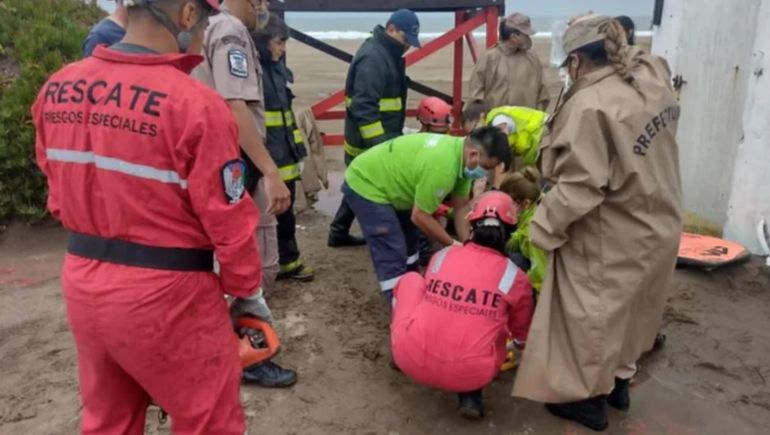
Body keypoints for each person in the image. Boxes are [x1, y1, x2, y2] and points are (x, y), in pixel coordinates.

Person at [33, 0, 260, 433]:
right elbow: (229, 220)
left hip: (83, 283)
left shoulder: (58, 87)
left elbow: (57, 193)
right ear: (188, 15)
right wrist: (247, 292)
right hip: (170, 295)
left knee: (108, 420)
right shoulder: (196, 104)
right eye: (205, 22)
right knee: (209, 420)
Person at [512, 15, 682, 432]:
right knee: (634, 311)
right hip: (658, 218)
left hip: (612, 230)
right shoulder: (651, 74)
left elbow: (579, 187)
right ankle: (619, 383)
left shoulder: (590, 107)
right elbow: (638, 57)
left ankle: (586, 401)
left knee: (590, 317)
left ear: (574, 62)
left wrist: (540, 230)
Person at [193, 0, 296, 388]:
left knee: (227, 259)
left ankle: (224, 349)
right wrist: (270, 171)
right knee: (251, 259)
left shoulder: (213, 29)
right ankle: (245, 355)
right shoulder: (231, 31)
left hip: (220, 162)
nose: (264, 7)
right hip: (235, 164)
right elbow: (235, 104)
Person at [391, 191, 534, 420]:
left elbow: (433, 306)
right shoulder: (515, 277)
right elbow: (521, 335)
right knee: (492, 325)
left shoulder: (442, 256)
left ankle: (401, 349)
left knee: (411, 281)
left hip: (410, 358)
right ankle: (471, 397)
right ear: (510, 232)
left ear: (472, 223)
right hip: (472, 373)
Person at [342, 127, 512, 305]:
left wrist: (467, 244)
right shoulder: (442, 167)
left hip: (392, 184)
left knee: (410, 240)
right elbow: (420, 216)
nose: (484, 173)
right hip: (367, 184)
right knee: (391, 248)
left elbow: (461, 205)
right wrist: (452, 244)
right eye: (486, 167)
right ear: (473, 155)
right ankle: (400, 307)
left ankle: (412, 287)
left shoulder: (461, 159)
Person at [328, 9, 421, 248]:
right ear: (391, 29)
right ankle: (385, 237)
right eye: (404, 40)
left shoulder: (386, 53)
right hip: (368, 141)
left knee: (357, 185)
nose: (406, 47)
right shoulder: (374, 58)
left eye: (410, 43)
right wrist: (380, 147)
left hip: (378, 137)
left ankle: (338, 233)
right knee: (366, 187)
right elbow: (364, 108)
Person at [253, 14, 315, 282]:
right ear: (263, 42)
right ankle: (266, 267)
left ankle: (288, 262)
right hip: (264, 160)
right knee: (264, 218)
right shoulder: (252, 71)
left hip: (284, 156)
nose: (283, 48)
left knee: (285, 214)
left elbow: (286, 115)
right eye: (279, 42)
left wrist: (298, 149)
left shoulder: (276, 69)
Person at [469, 12, 549, 111]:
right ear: (514, 37)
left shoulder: (532, 58)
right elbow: (476, 95)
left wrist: (537, 117)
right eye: (526, 35)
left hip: (527, 122)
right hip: (496, 122)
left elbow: (543, 93)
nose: (529, 39)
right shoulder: (489, 58)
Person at [499, 167, 546, 293]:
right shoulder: (538, 202)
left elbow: (540, 274)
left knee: (512, 260)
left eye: (508, 203)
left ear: (525, 203)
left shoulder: (533, 232)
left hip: (541, 284)